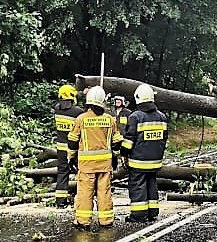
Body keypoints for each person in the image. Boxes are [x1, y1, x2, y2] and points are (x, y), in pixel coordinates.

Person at [67, 85, 123, 229]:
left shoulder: (81, 119)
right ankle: (106, 221)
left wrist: (71, 157)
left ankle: (83, 221)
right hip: (105, 165)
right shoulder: (110, 119)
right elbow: (117, 142)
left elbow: (72, 140)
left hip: (86, 166)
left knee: (85, 193)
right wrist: (115, 157)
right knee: (104, 193)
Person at [121, 84, 168, 222]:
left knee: (138, 186)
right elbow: (164, 139)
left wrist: (123, 153)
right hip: (155, 161)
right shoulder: (162, 117)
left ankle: (139, 215)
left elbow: (129, 141)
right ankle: (152, 212)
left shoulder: (135, 117)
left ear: (138, 98)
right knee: (152, 184)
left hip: (139, 162)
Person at [54, 84, 84, 208]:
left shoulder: (57, 108)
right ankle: (81, 198)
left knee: (62, 172)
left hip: (60, 148)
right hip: (74, 148)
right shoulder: (77, 112)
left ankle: (60, 201)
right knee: (82, 172)